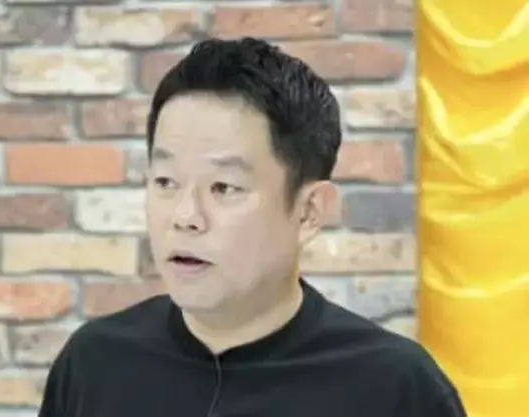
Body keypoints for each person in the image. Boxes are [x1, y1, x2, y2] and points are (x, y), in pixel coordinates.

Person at [38, 37, 467, 417]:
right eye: (166, 182)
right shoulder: (94, 363)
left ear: (309, 211)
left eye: (224, 187)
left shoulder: (396, 389)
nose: (186, 216)